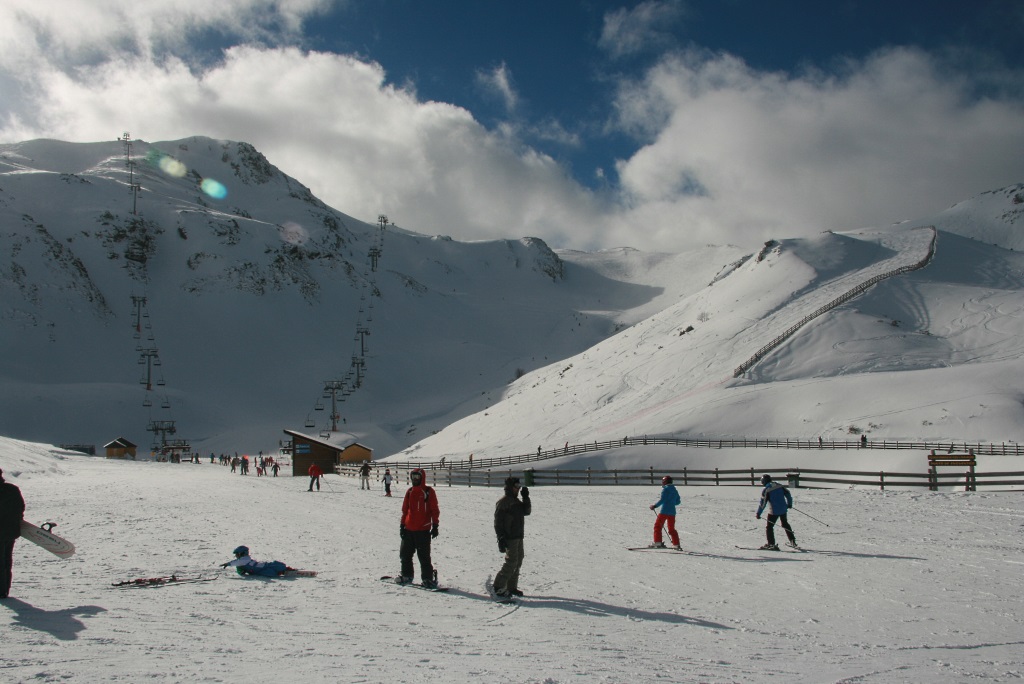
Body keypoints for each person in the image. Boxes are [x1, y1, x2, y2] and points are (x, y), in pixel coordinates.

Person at [398, 468, 440, 588]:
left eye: (417, 477)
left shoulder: (428, 492)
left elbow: (434, 510)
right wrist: (402, 525)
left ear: (422, 478)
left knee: (424, 557)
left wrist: (435, 525)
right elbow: (405, 510)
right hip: (409, 529)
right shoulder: (410, 491)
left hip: (423, 531)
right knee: (405, 555)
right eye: (413, 477)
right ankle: (407, 575)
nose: (415, 479)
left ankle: (427, 579)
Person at [493, 477, 531, 598]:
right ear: (510, 487)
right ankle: (498, 586)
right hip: (510, 537)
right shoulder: (504, 502)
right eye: (516, 487)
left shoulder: (516, 502)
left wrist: (525, 498)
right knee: (511, 562)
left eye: (519, 487)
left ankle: (511, 586)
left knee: (518, 561)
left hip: (518, 536)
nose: (518, 489)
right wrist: (501, 537)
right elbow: (498, 522)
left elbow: (527, 511)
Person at [0, 467, 26, 599]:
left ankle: (1, 591)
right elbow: (21, 507)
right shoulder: (13, 489)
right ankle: (4, 589)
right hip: (11, 531)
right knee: (6, 560)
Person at [755, 474, 797, 550]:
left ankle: (771, 544)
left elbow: (762, 503)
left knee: (769, 527)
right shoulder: (779, 485)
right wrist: (789, 504)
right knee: (785, 524)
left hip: (774, 511)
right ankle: (792, 540)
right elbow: (788, 493)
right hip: (783, 509)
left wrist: (758, 513)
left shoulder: (766, 489)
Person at [649, 475, 681, 550]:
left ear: (664, 482)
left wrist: (655, 506)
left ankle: (657, 542)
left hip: (664, 511)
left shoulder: (665, 490)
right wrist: (671, 503)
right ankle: (676, 544)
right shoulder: (675, 490)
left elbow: (662, 500)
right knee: (671, 529)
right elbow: (678, 501)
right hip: (672, 512)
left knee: (658, 526)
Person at [221, 545, 293, 577]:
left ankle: (284, 569)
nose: (236, 556)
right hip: (258, 569)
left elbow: (236, 562)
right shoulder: (241, 562)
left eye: (237, 554)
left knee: (275, 565)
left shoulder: (244, 559)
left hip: (260, 567)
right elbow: (238, 567)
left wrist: (228, 564)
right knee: (269, 572)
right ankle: (282, 571)